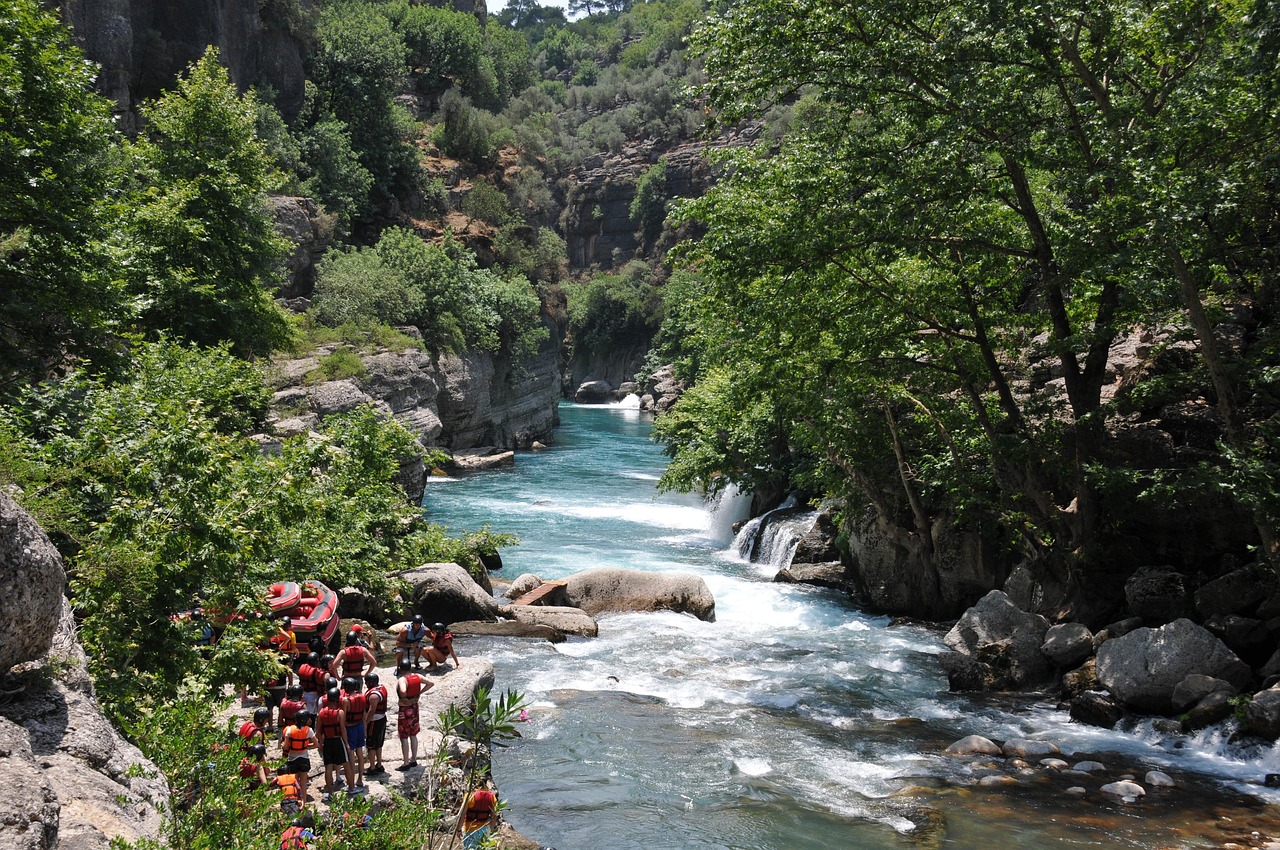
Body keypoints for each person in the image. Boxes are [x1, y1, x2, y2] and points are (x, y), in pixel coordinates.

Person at [317, 687, 359, 798]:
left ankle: (330, 793)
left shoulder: (321, 712)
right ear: (337, 699)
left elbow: (318, 731)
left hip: (327, 742)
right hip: (338, 740)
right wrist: (347, 744)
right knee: (346, 765)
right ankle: (352, 788)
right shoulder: (339, 713)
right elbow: (343, 729)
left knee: (328, 768)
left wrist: (321, 743)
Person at [395, 657, 432, 768]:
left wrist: (405, 698)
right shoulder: (418, 676)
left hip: (405, 710)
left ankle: (406, 762)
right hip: (415, 708)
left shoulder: (402, 679)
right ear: (410, 668)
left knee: (404, 736)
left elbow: (403, 691)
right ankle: (414, 759)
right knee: (413, 734)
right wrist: (419, 693)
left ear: (401, 669)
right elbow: (430, 683)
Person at [280, 710, 317, 802]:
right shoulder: (309, 730)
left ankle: (295, 801)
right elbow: (317, 745)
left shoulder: (289, 729)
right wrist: (305, 746)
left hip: (292, 758)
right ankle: (303, 803)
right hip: (304, 758)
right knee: (303, 784)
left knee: (294, 782)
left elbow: (285, 746)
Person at [340, 676, 368, 788]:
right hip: (360, 726)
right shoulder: (362, 697)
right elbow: (364, 715)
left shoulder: (346, 700)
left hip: (350, 728)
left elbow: (344, 716)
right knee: (360, 753)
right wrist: (365, 729)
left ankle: (350, 780)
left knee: (351, 754)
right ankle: (360, 779)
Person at [363, 673, 389, 775]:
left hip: (374, 721)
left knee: (371, 745)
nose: (366, 684)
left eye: (367, 682)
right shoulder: (381, 688)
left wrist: (365, 723)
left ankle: (372, 768)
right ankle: (379, 764)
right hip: (382, 719)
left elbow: (371, 711)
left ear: (371, 682)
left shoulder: (374, 695)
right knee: (378, 744)